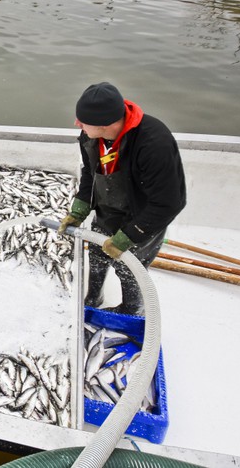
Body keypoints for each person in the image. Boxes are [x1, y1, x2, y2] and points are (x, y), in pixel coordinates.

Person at [58, 82, 186, 315]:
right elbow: (90, 172)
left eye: (82, 120)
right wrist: (80, 207)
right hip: (109, 206)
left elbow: (170, 202)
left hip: (144, 215)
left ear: (105, 124)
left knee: (129, 267)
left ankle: (131, 310)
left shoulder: (154, 143)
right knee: (97, 256)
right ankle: (93, 299)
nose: (77, 124)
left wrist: (129, 235)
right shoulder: (90, 134)